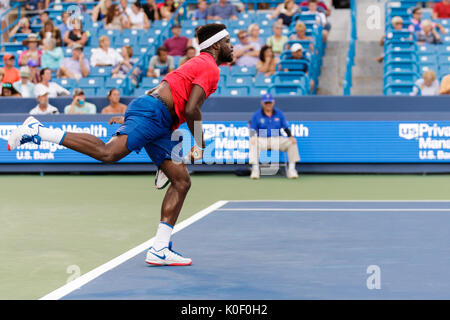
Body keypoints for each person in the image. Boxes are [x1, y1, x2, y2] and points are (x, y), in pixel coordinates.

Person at [8, 23, 234, 267]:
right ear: (216, 45)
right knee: (108, 153)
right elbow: (192, 109)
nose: (232, 47)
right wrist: (199, 142)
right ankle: (39, 131)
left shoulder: (198, 64)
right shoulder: (209, 66)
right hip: (154, 114)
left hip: (158, 117)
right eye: (229, 42)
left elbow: (176, 99)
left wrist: (146, 122)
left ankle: (159, 248)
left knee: (181, 181)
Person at [249, 93, 300, 179]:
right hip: (262, 138)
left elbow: (285, 127)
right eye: (266, 103)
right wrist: (253, 137)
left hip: (277, 138)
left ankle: (291, 169)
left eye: (270, 103)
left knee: (292, 143)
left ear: (273, 103)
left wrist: (291, 136)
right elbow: (252, 129)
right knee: (253, 143)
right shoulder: (257, 115)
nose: (268, 105)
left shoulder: (279, 113)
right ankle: (255, 169)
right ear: (262, 103)